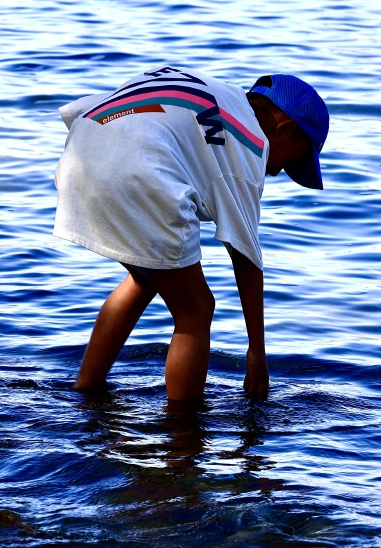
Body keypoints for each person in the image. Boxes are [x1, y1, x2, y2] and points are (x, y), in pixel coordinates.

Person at [53, 65, 330, 400]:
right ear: (286, 128)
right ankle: (183, 435)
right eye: (292, 161)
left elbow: (87, 109)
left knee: (147, 278)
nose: (278, 171)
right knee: (196, 308)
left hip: (82, 150)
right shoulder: (251, 146)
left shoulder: (218, 93)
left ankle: (87, 389)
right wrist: (256, 351)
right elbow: (244, 255)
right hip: (138, 168)